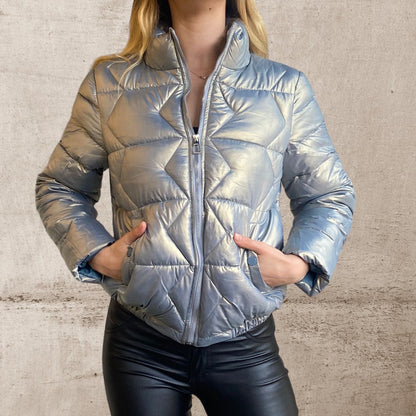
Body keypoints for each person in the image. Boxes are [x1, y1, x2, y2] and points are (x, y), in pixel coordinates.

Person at [35, 0, 355, 415]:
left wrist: (299, 264)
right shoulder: (110, 84)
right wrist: (96, 254)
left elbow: (328, 193)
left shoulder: (283, 88)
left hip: (245, 342)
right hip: (141, 346)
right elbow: (59, 186)